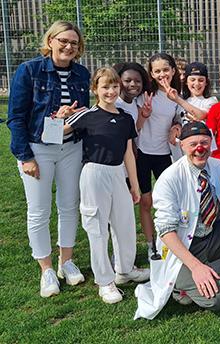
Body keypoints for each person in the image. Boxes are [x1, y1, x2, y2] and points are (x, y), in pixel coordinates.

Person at [134, 122, 220, 320]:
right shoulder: (169, 179)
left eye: (204, 142)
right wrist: (195, 267)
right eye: (193, 144)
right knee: (218, 298)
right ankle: (180, 284)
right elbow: (166, 232)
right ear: (181, 145)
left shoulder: (218, 167)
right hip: (181, 250)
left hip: (209, 237)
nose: (199, 149)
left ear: (211, 143)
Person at [7, 20, 89, 297]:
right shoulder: (29, 70)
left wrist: (74, 115)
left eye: (74, 43)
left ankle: (67, 261)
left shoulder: (81, 73)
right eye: (63, 41)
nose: (68, 46)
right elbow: (16, 117)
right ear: (50, 41)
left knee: (69, 206)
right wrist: (25, 156)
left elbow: (82, 113)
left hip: (71, 148)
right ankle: (46, 269)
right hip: (38, 149)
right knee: (39, 211)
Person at [60, 67, 150, 304]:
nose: (110, 91)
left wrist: (134, 184)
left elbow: (129, 152)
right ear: (95, 90)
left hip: (118, 173)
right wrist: (59, 117)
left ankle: (125, 269)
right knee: (97, 227)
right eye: (105, 87)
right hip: (94, 174)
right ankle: (105, 281)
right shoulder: (86, 115)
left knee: (125, 224)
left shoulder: (125, 118)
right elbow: (56, 133)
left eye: (114, 86)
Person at [136, 52, 183, 257]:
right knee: (146, 201)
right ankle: (150, 244)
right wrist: (144, 115)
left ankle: (172, 240)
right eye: (157, 71)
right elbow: (136, 125)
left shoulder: (176, 96)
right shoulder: (145, 96)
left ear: (173, 71)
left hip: (165, 154)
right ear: (151, 74)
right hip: (143, 153)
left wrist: (176, 125)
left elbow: (180, 118)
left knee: (170, 199)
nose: (162, 74)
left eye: (166, 69)